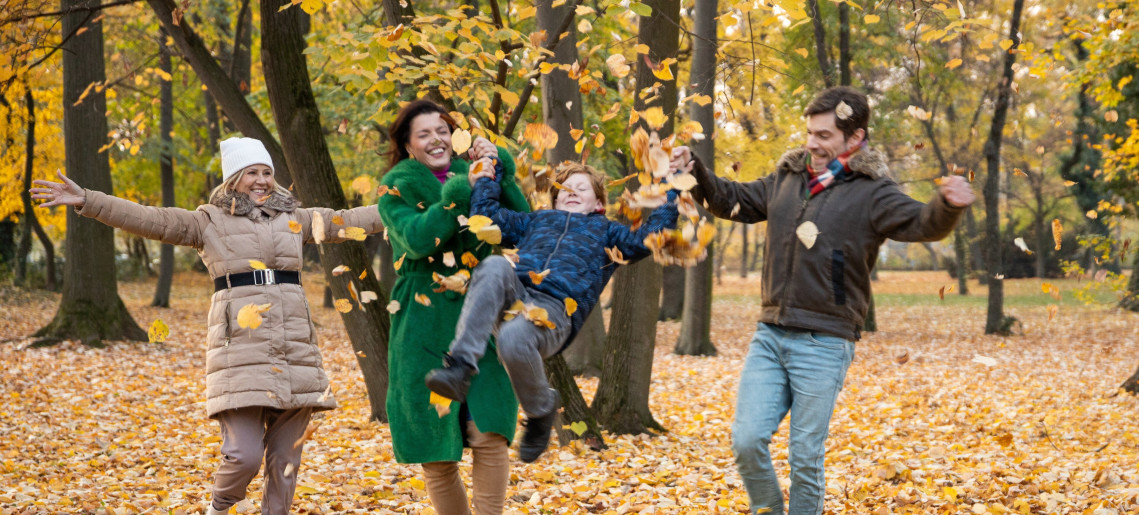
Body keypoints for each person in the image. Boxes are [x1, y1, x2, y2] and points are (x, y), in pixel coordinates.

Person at [30, 137, 384, 514]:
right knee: (243, 455)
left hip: (296, 349)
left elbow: (354, 220)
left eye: (267, 172)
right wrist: (88, 200)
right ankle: (220, 506)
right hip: (240, 350)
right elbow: (150, 219)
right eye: (252, 172)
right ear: (234, 178)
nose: (262, 180)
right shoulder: (207, 220)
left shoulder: (296, 218)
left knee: (285, 465)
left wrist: (414, 199)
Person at [671, 86, 976, 515]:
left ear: (855, 138)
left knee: (804, 458)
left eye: (825, 135)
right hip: (770, 335)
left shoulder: (874, 193)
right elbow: (731, 200)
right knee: (746, 441)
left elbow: (922, 223)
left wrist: (946, 204)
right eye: (810, 132)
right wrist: (695, 170)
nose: (812, 143)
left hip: (825, 341)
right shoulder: (787, 178)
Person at [425, 161, 679, 462]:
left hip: (554, 312)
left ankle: (541, 408)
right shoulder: (537, 220)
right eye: (565, 190)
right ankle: (460, 367)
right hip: (513, 295)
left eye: (581, 188)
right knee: (494, 265)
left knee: (513, 337)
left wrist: (672, 189)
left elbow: (647, 238)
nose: (572, 193)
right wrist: (489, 175)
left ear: (598, 203)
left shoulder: (607, 231)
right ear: (554, 199)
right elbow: (486, 218)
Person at [377, 99, 531, 515]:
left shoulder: (473, 174)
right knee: (437, 451)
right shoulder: (396, 187)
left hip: (481, 318)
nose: (435, 139)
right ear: (408, 145)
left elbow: (521, 227)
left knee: (490, 432)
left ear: (455, 136)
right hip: (422, 324)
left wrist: (499, 173)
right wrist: (460, 195)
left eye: (442, 130)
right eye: (424, 134)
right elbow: (418, 240)